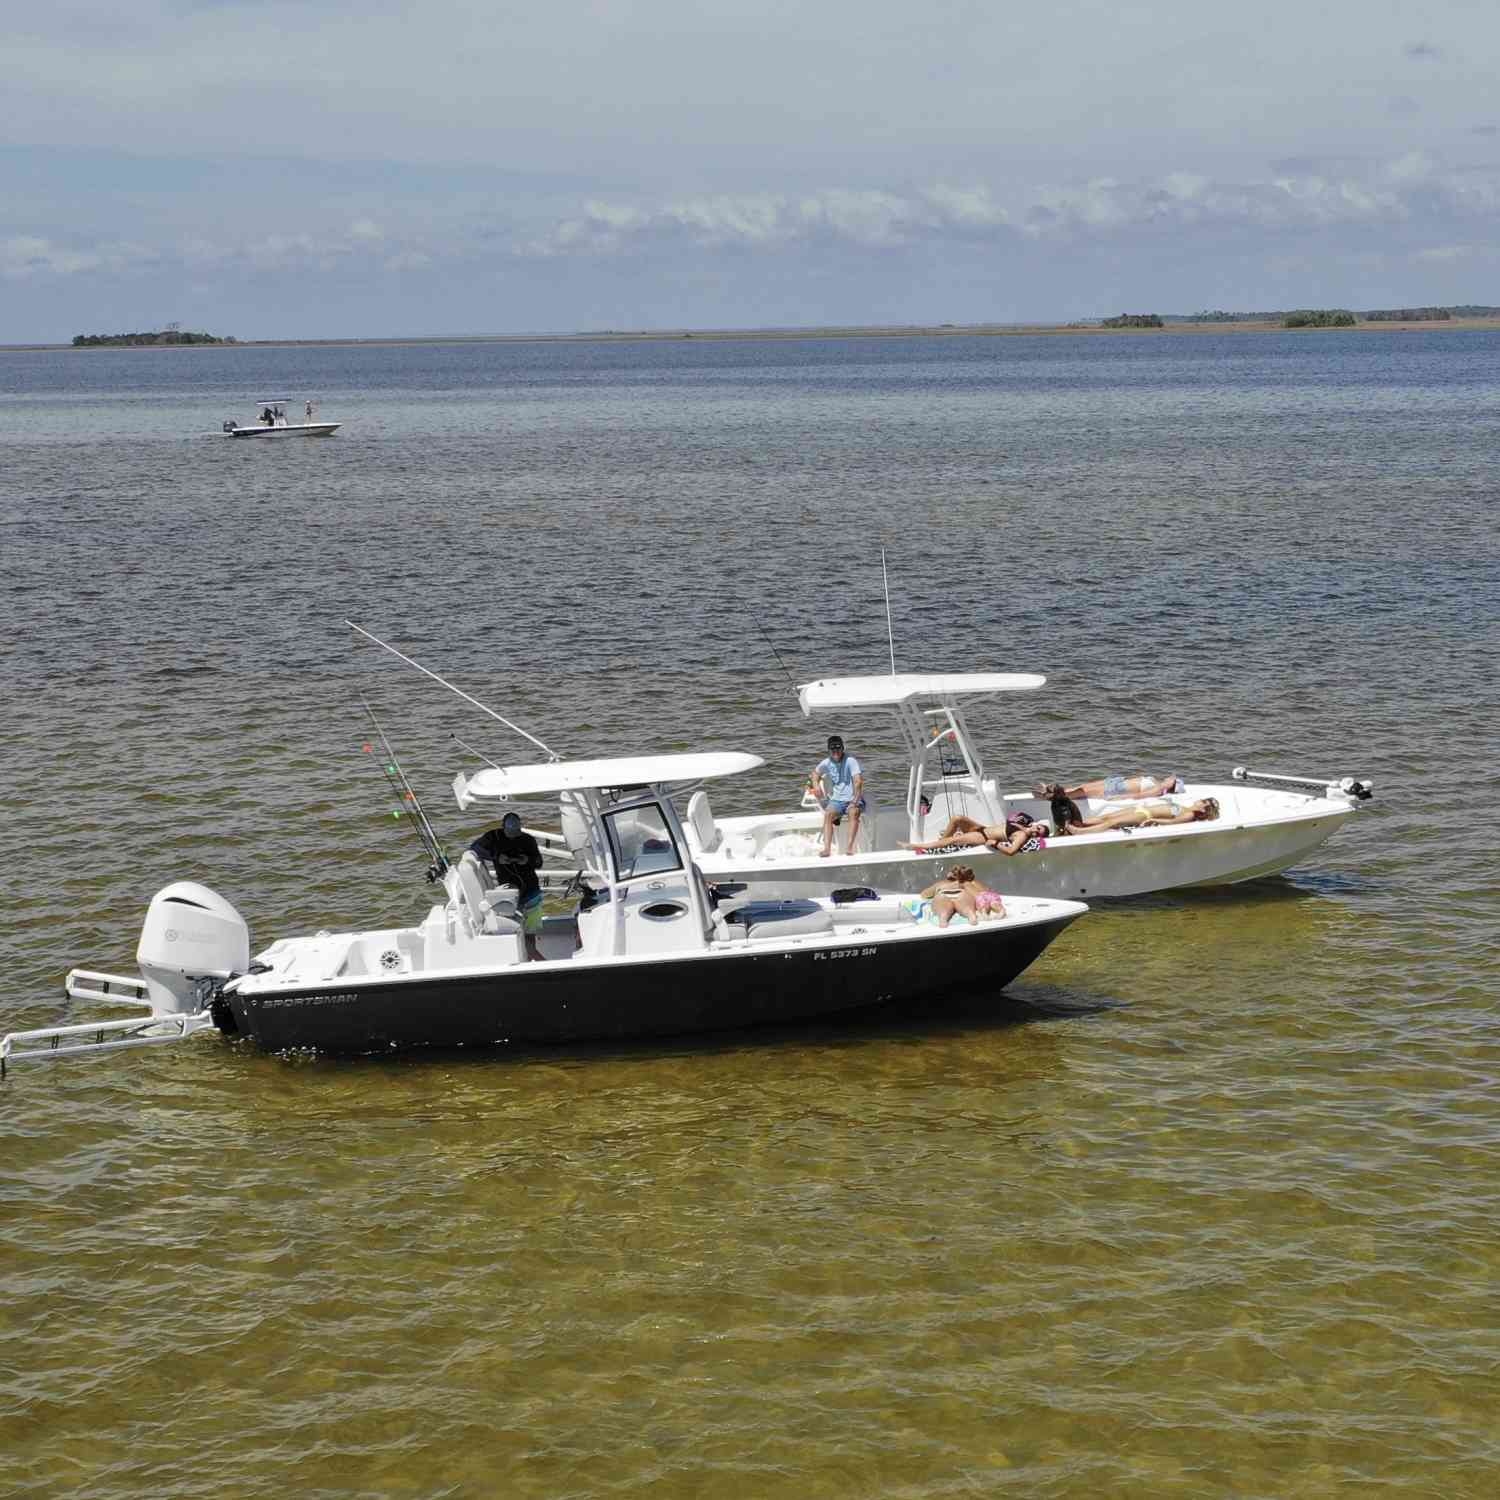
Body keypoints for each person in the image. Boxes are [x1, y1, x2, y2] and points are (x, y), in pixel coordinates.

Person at [470, 811, 545, 960]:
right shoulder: (493, 837)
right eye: (510, 833)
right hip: (509, 893)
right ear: (502, 827)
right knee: (513, 927)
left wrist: (526, 860)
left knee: (530, 931)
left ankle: (531, 955)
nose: (513, 835)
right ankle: (529, 956)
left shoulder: (527, 840)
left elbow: (539, 862)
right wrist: (497, 857)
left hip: (531, 890)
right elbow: (475, 848)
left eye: (516, 833)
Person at [810, 734, 865, 857]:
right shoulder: (826, 762)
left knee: (853, 812)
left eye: (838, 748)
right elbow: (814, 773)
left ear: (843, 748)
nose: (836, 751)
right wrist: (816, 784)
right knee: (828, 814)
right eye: (832, 749)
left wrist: (855, 800)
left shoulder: (851, 760)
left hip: (853, 798)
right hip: (837, 800)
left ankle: (850, 847)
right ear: (829, 750)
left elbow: (858, 781)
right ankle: (827, 849)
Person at [899, 811, 1049, 855]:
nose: (1036, 831)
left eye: (1038, 833)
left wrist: (996, 844)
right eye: (1039, 828)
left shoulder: (1022, 836)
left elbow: (1011, 851)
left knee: (952, 841)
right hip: (982, 828)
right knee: (957, 818)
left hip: (982, 837)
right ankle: (941, 845)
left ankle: (916, 846)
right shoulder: (1024, 824)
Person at [1054, 795, 1220, 835]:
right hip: (1141, 809)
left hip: (1144, 815)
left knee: (1110, 824)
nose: (1201, 802)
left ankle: (1077, 831)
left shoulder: (1190, 814)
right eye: (1204, 800)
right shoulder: (1186, 806)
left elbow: (1174, 822)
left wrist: (1154, 820)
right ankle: (1077, 825)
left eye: (1204, 804)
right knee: (1107, 817)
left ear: (1204, 811)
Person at [1033, 772, 1186, 801]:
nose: (1171, 777)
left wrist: (1119, 798)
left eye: (1173, 780)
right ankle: (1051, 791)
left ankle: (1051, 797)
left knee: (1082, 792)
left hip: (1116, 789)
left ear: (1172, 785)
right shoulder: (1158, 784)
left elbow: (1139, 796)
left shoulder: (1159, 789)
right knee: (1083, 786)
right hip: (1115, 783)